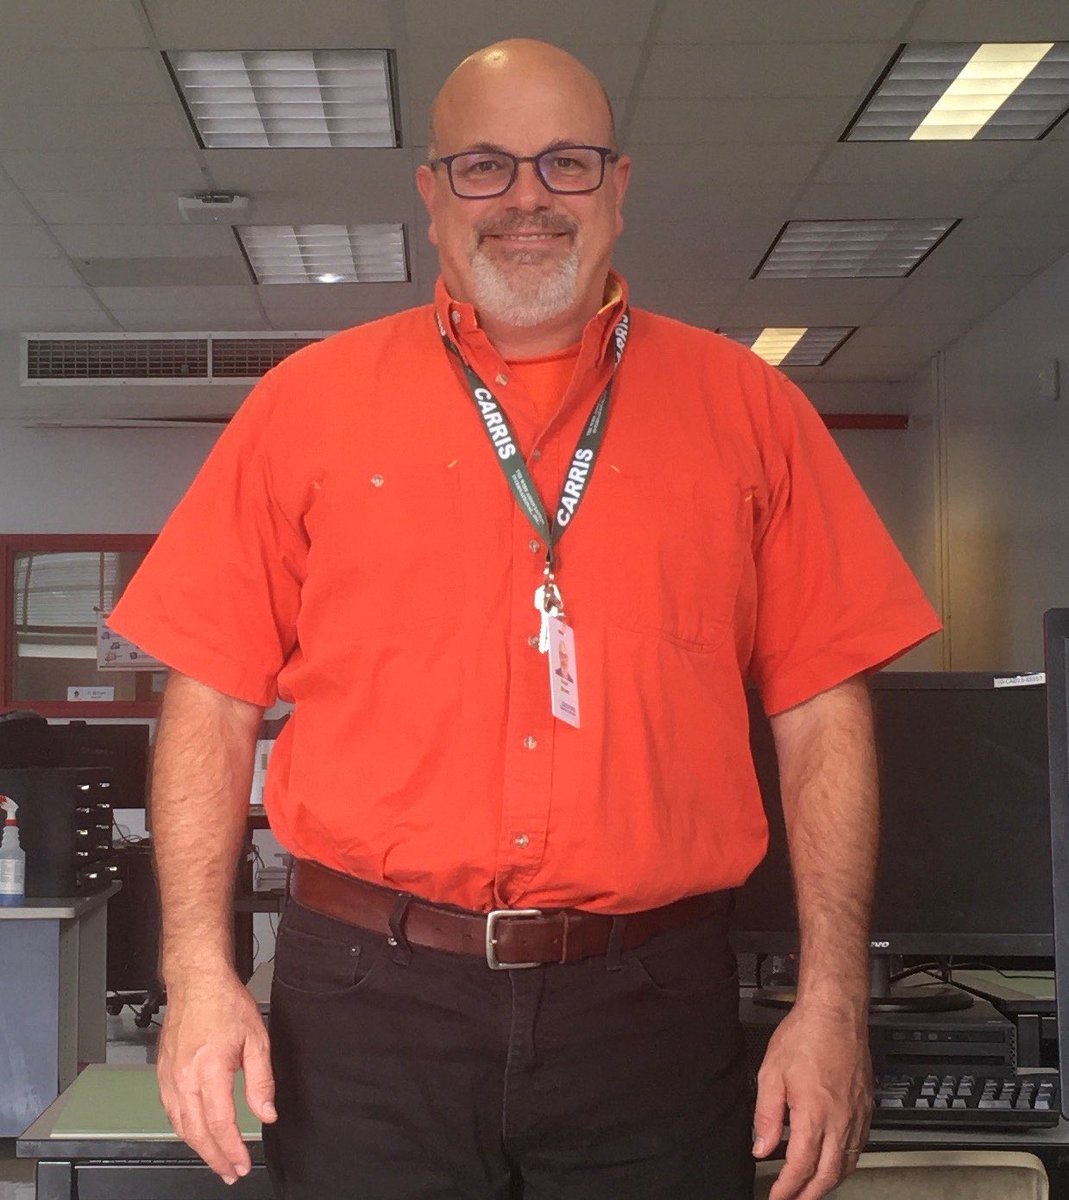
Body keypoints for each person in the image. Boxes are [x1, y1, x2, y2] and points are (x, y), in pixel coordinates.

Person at [110, 38, 941, 1200]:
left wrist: (832, 1000)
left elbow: (820, 714)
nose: (528, 200)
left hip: (653, 1007)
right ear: (433, 194)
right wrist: (199, 973)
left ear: (619, 186)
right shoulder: (303, 407)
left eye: (566, 162)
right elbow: (211, 701)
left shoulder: (752, 411)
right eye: (486, 167)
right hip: (363, 1008)